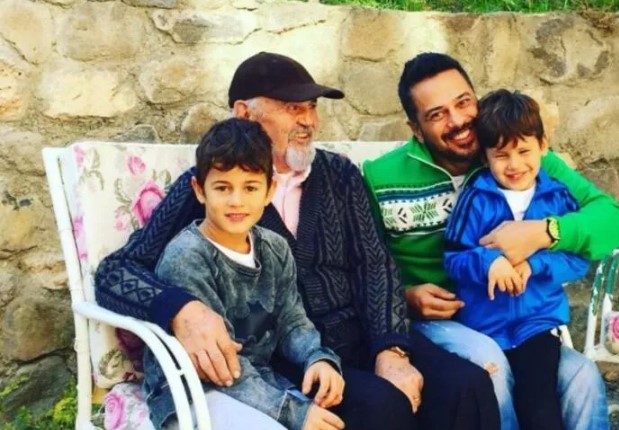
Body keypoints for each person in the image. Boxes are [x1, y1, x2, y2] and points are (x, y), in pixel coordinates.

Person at [95, 52, 500, 430]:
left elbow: (375, 265)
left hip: (361, 335)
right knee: (381, 406)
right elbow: (115, 271)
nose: (308, 121)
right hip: (287, 353)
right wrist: (182, 311)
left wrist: (390, 350)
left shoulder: (340, 175)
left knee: (467, 387)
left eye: (311, 107)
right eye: (293, 108)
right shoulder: (212, 188)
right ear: (245, 113)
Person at [363, 52, 619, 430]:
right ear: (416, 129)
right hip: (439, 322)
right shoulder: (380, 178)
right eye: (437, 114)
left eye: (463, 103)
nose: (458, 121)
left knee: (583, 377)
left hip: (516, 318)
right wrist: (405, 296)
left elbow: (617, 222)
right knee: (490, 364)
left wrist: (544, 233)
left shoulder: (515, 157)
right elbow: (364, 266)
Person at [144, 118, 345, 430]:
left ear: (269, 190)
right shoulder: (188, 257)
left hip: (257, 381)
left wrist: (317, 357)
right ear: (199, 190)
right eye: (222, 187)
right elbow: (218, 363)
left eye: (250, 187)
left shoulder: (275, 248)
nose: (236, 201)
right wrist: (291, 411)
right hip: (191, 390)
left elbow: (291, 320)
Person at [444, 89, 591, 430]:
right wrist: (488, 262)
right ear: (485, 157)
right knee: (497, 406)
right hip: (484, 327)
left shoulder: (557, 197)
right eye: (501, 155)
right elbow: (453, 258)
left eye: (524, 151)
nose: (514, 165)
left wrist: (534, 264)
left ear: (543, 145)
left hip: (536, 324)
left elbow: (577, 261)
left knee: (540, 406)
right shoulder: (476, 199)